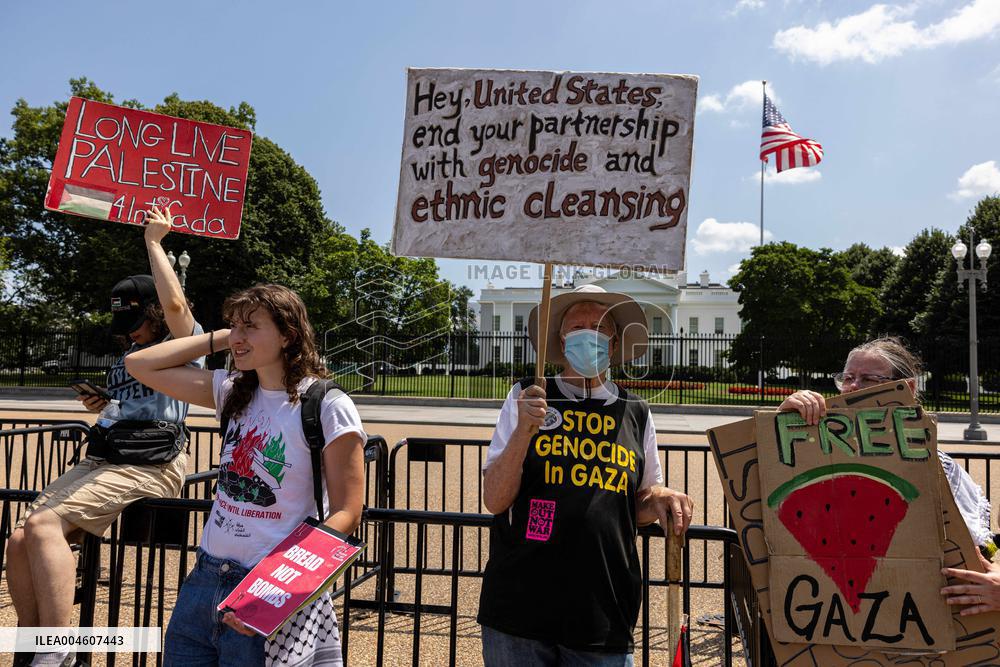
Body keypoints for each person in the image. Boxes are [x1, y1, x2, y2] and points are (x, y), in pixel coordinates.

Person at [125, 283, 366, 666]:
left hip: (267, 585)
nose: (238, 336)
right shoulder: (232, 389)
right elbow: (139, 364)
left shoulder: (326, 404)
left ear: (288, 335)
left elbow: (347, 512)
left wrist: (276, 594)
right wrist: (227, 338)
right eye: (233, 326)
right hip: (204, 580)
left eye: (251, 326)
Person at [6, 207, 201, 667]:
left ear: (154, 312)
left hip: (151, 463)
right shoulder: (130, 354)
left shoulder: (183, 345)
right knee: (19, 538)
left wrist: (154, 242)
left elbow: (177, 309)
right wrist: (105, 405)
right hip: (111, 454)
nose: (129, 334)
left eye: (135, 322)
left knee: (42, 524)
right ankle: (36, 649)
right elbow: (130, 403)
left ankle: (57, 653)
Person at [477, 284, 694, 666]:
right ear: (561, 341)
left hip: (602, 611)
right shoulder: (527, 398)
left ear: (613, 344)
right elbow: (494, 499)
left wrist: (659, 498)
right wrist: (523, 433)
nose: (587, 335)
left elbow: (638, 501)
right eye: (577, 327)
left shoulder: (636, 412)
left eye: (598, 327)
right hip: (519, 608)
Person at [778, 335, 993, 552]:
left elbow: (971, 552)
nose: (853, 387)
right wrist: (778, 428)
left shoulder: (939, 468)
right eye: (847, 377)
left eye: (868, 379)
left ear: (907, 388)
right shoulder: (813, 451)